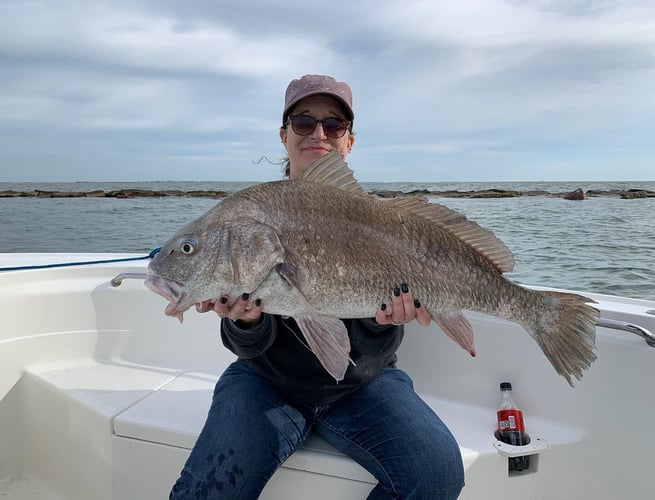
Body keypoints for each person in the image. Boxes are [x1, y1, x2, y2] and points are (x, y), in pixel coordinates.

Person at [170, 75, 465, 499]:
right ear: (284, 135)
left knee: (435, 475)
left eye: (334, 125)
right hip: (264, 383)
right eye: (304, 122)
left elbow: (372, 341)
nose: (319, 133)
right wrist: (248, 322)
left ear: (349, 141)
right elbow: (246, 344)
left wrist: (384, 322)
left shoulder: (377, 220)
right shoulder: (248, 216)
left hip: (363, 385)